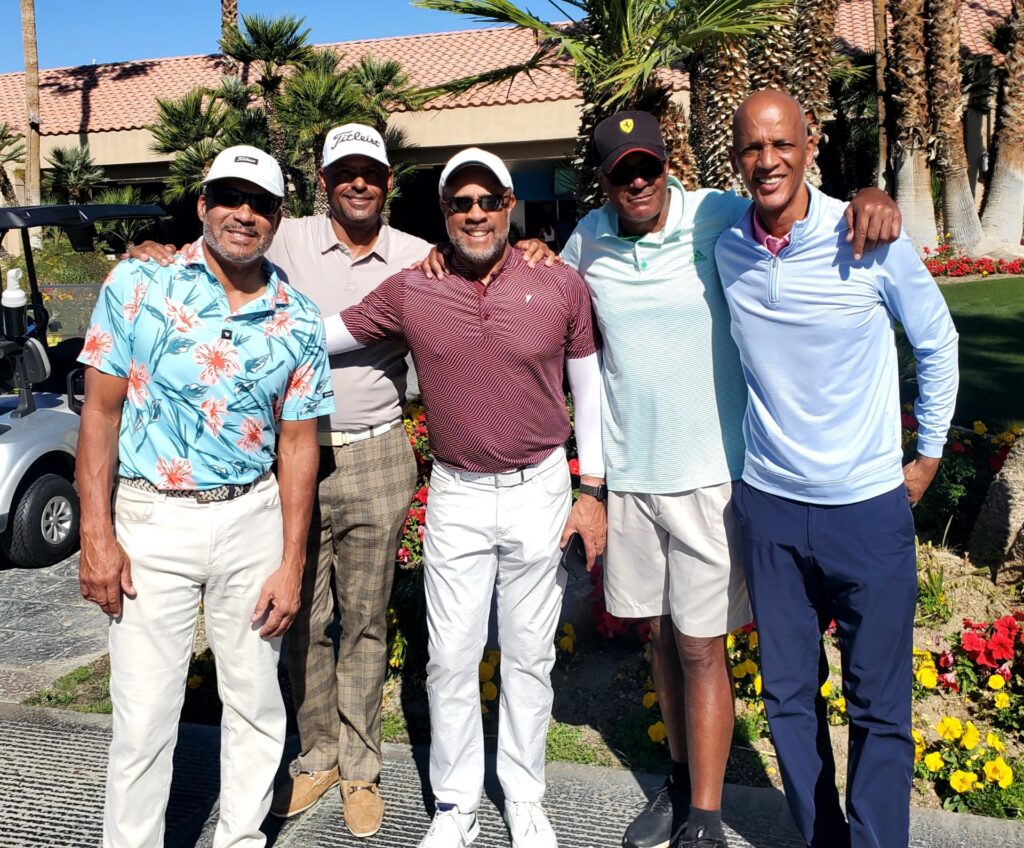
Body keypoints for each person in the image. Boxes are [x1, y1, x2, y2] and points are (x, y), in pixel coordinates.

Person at [131, 124, 557, 839]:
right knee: (297, 614)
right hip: (289, 458)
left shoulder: (420, 256)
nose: (359, 183)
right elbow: (217, 253)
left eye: (372, 173)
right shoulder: (283, 236)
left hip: (377, 452)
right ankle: (316, 755)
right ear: (323, 180)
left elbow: (485, 282)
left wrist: (534, 249)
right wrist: (157, 254)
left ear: (388, 183)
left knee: (364, 618)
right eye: (345, 172)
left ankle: (361, 767)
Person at [557, 111, 902, 848]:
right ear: (605, 180)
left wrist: (869, 194)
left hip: (713, 474)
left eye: (648, 165)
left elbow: (792, 206)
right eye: (622, 172)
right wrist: (521, 248)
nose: (638, 181)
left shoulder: (715, 214)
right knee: (660, 637)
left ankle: (708, 818)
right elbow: (547, 295)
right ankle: (680, 784)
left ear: (668, 164)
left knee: (700, 645)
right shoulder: (588, 239)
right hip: (634, 478)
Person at [323, 146, 607, 848]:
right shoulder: (412, 289)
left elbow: (589, 385)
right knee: (449, 658)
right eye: (461, 203)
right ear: (444, 212)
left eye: (488, 201)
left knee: (529, 655)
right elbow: (328, 335)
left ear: (509, 206)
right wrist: (223, 308)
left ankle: (524, 796)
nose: (475, 214)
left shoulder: (559, 281)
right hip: (457, 491)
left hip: (540, 487)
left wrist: (592, 487)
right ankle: (456, 806)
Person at [715, 89, 958, 848]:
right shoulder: (725, 243)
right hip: (771, 509)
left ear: (810, 144)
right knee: (788, 698)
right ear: (736, 157)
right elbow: (640, 212)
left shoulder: (867, 236)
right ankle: (822, 838)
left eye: (782, 144)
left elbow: (937, 340)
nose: (768, 161)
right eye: (753, 147)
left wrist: (928, 455)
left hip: (867, 509)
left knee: (879, 704)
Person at [76, 144, 333, 848]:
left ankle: (242, 838)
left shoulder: (298, 317)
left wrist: (292, 562)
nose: (243, 214)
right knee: (143, 718)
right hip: (152, 518)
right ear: (202, 204)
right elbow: (99, 413)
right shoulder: (138, 284)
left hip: (251, 518)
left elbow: (298, 446)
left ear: (278, 218)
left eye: (261, 204)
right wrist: (95, 535)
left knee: (255, 704)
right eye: (228, 196)